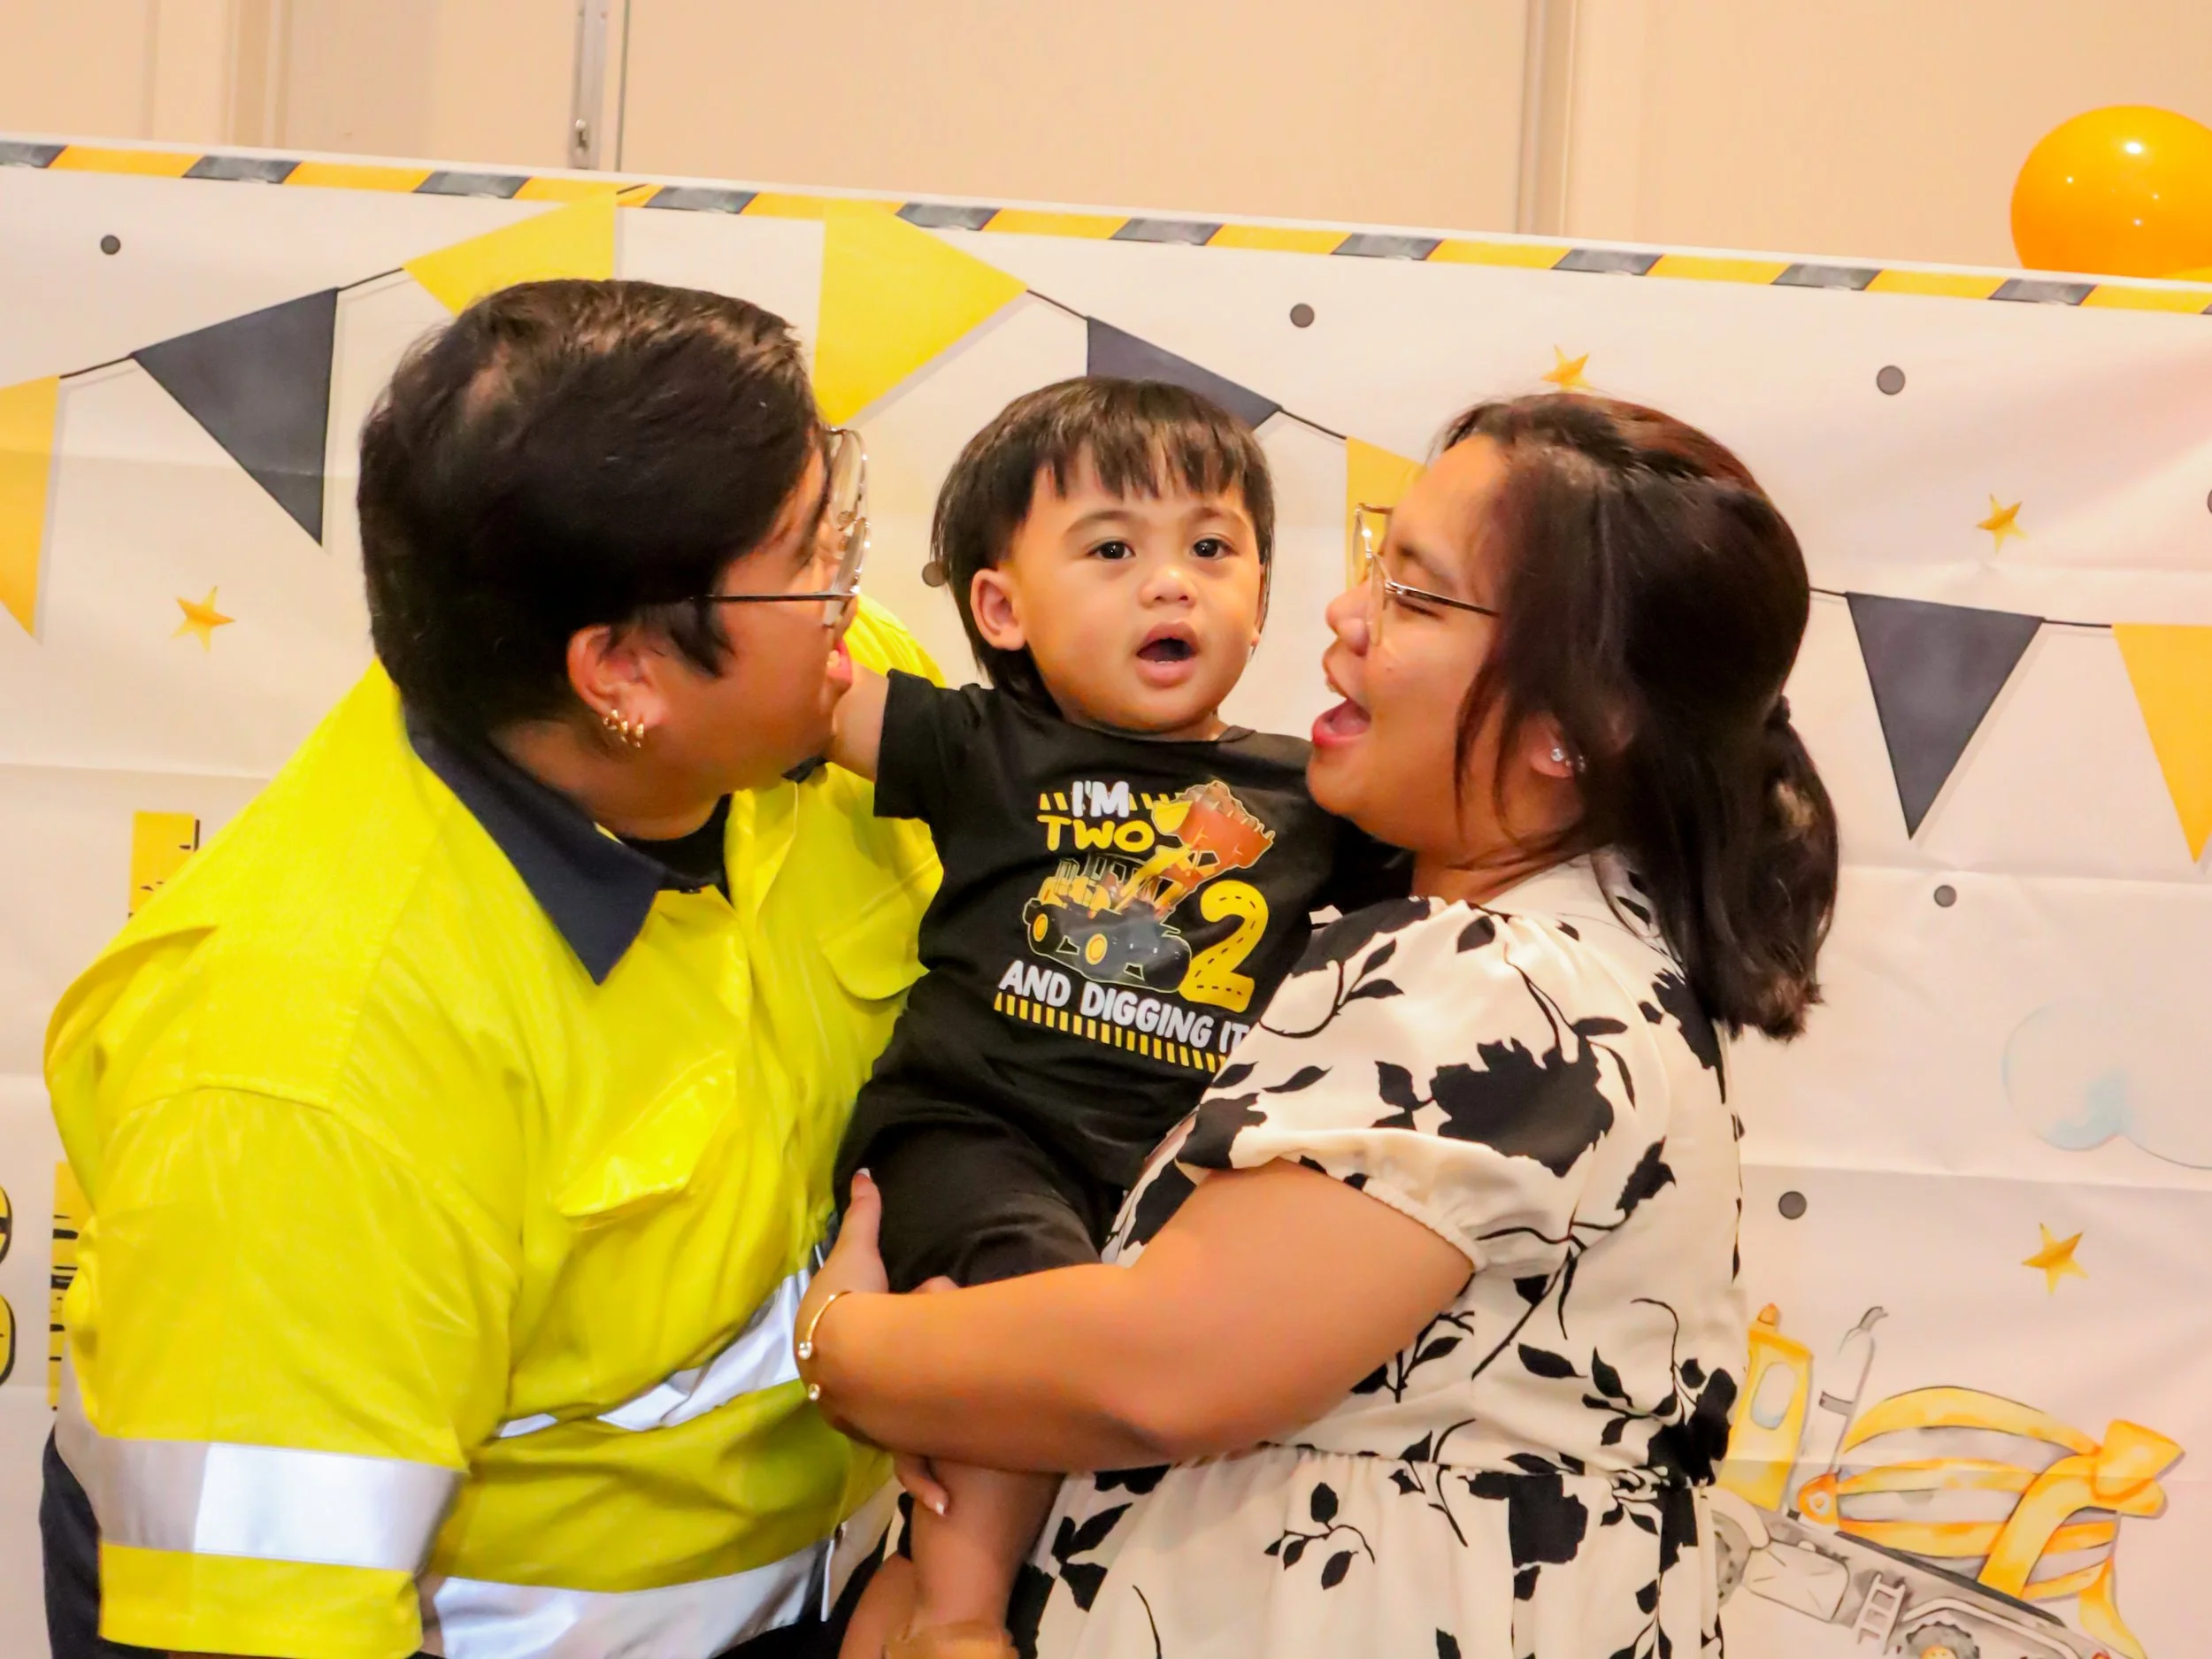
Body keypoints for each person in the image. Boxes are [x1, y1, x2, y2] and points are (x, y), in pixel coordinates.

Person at [795, 393, 1842, 1658]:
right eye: (1371, 562)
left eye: (1415, 592)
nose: (1342, 617)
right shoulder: (1524, 940)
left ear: (1579, 720)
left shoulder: (1505, 984)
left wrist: (842, 1339)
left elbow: (1158, 1367)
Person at [41, 280, 943, 1659]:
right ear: (624, 673)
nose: (853, 589)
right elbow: (256, 1631)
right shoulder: (306, 1068)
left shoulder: (819, 703)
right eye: (814, 552)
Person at [818, 379, 1404, 1658]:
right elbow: (810, 692)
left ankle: (929, 1601)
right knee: (1035, 1306)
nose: (1171, 584)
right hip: (980, 1129)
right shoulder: (989, 745)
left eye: (1211, 547)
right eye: (1112, 550)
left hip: (1173, 1166)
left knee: (1185, 1373)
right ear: (1001, 607)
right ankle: (959, 1615)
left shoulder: (1314, 793)